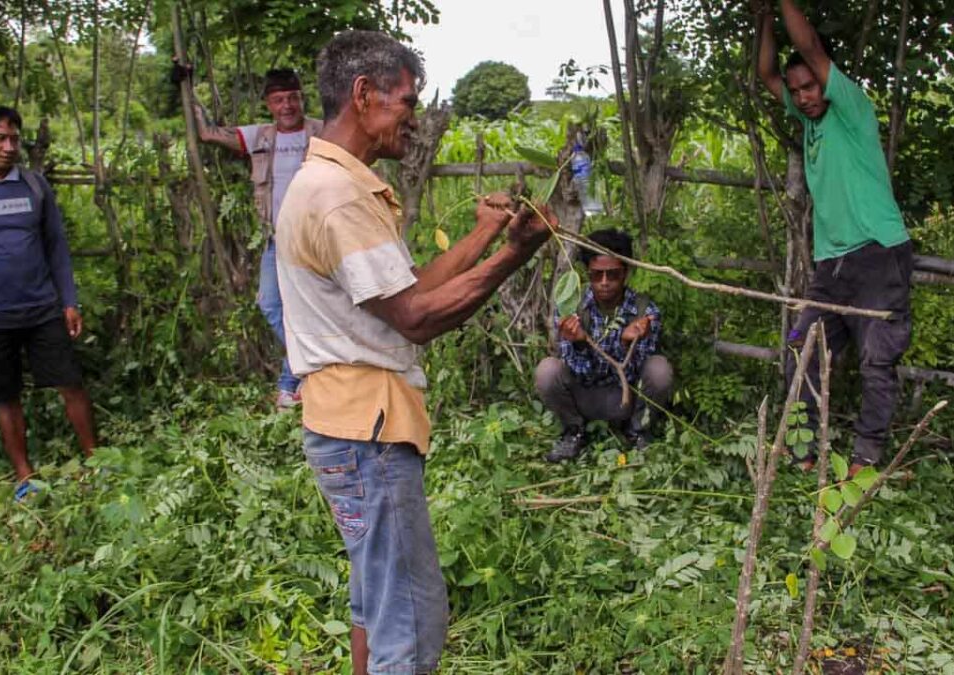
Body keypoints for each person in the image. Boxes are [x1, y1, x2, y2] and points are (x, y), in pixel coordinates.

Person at [275, 31, 553, 674]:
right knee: (410, 617)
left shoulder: (328, 183)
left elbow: (406, 288)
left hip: (343, 427)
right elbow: (416, 317)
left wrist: (486, 233)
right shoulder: (340, 197)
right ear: (364, 94)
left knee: (375, 598)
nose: (415, 119)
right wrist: (515, 255)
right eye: (407, 102)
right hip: (366, 434)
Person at [756, 0, 914, 476]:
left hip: (879, 254)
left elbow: (807, 44)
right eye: (797, 90)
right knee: (803, 346)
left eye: (811, 86)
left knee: (876, 360)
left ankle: (866, 456)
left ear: (827, 81)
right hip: (832, 266)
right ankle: (803, 449)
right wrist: (764, 17)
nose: (803, 96)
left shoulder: (850, 106)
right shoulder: (809, 121)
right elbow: (767, 73)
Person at [0, 103, 96, 500]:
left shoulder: (35, 186)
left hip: (41, 309)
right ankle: (25, 476)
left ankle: (96, 460)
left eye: (14, 139)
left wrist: (68, 300)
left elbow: (56, 247)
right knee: (5, 396)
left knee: (70, 382)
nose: (8, 147)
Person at [184, 65, 326, 408]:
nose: (287, 106)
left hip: (316, 239)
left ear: (301, 98)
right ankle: (315, 368)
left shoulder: (323, 132)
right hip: (277, 238)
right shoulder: (261, 137)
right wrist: (188, 88)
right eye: (279, 100)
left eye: (293, 98)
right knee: (270, 304)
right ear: (269, 104)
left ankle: (289, 384)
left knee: (313, 308)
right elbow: (207, 133)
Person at [535, 229, 673, 462]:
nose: (605, 283)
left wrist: (625, 343)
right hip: (585, 395)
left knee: (660, 369)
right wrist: (579, 345)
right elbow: (578, 372)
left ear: (626, 272)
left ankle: (638, 431)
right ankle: (573, 431)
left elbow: (634, 371)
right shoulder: (571, 307)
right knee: (547, 370)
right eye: (597, 275)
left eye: (613, 275)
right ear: (588, 273)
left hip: (626, 399)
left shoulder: (645, 311)